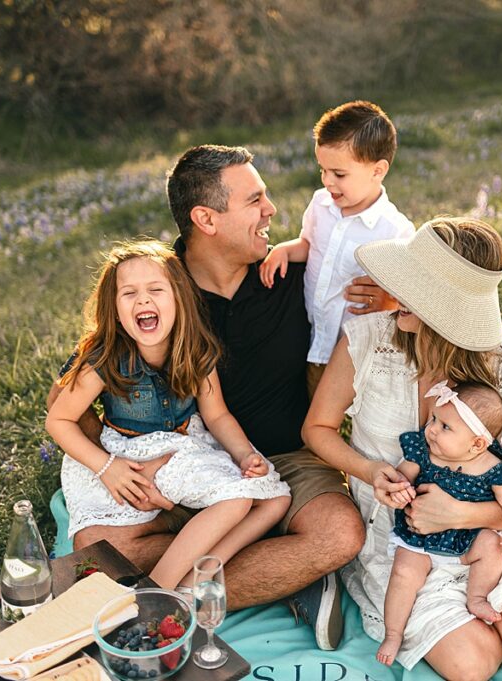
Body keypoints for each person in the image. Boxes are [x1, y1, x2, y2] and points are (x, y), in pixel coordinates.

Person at [47, 144, 373, 650]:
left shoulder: (291, 274)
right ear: (206, 218)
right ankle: (283, 572)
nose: (271, 212)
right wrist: (119, 464)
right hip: (175, 458)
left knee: (339, 535)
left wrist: (390, 295)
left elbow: (373, 293)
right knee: (97, 551)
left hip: (282, 455)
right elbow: (66, 404)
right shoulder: (157, 286)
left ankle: (158, 600)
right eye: (255, 200)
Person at [303, 217, 502, 676]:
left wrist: (464, 515)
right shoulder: (367, 340)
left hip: (487, 543)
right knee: (472, 665)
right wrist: (369, 472)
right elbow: (317, 429)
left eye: (412, 286)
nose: (394, 291)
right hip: (404, 547)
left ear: (448, 307)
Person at [46, 240, 291, 589]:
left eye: (155, 290)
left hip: (183, 447)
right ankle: (160, 589)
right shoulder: (105, 359)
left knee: (276, 498)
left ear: (178, 298)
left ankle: (196, 578)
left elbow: (217, 416)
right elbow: (58, 419)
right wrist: (106, 467)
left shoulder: (197, 350)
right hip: (128, 455)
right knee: (237, 501)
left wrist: (244, 454)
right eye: (129, 293)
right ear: (114, 309)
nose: (143, 300)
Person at [258, 101, 414, 396]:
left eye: (339, 174)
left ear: (377, 171)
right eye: (323, 170)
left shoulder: (395, 230)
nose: (328, 181)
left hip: (358, 352)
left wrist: (389, 301)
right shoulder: (321, 204)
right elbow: (309, 245)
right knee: (309, 402)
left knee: (355, 410)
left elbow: (408, 297)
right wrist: (286, 250)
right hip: (312, 337)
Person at [376, 381, 502, 666]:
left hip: (466, 541)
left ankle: (477, 596)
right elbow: (401, 476)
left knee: (491, 546)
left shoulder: (494, 466)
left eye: (445, 427)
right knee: (403, 573)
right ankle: (393, 632)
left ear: (477, 444)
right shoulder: (424, 451)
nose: (432, 429)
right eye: (434, 419)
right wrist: (398, 489)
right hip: (420, 538)